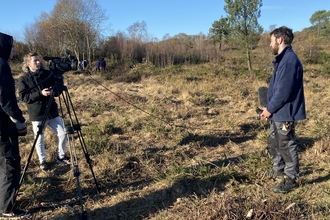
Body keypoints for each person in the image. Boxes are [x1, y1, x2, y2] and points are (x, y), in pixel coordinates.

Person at [260, 26, 306, 193]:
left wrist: (269, 109)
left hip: (285, 111)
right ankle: (278, 170)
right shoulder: (282, 59)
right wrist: (268, 106)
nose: (269, 44)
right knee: (274, 142)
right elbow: (276, 89)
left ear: (280, 40)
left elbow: (284, 92)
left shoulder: (289, 61)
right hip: (277, 111)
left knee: (286, 144)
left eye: (271, 41)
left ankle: (291, 178)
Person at [18, 52, 70, 171]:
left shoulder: (48, 74)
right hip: (37, 114)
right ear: (28, 64)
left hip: (52, 111)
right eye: (35, 61)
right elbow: (24, 97)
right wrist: (40, 94)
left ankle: (61, 157)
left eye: (38, 60)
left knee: (63, 133)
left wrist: (55, 90)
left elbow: (57, 91)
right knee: (39, 139)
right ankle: (43, 161)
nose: (38, 62)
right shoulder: (23, 79)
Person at [0, 32, 31, 218]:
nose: (14, 50)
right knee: (10, 165)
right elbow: (6, 100)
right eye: (12, 47)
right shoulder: (2, 66)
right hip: (3, 128)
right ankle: (7, 209)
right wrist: (19, 121)